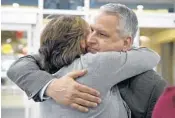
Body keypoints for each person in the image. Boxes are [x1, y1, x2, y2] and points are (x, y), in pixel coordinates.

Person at [7, 3, 167, 118]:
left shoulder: (151, 84)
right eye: (91, 30)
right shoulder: (72, 61)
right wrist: (50, 86)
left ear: (126, 42)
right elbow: (19, 66)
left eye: (102, 34)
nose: (90, 39)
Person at [37, 15, 159, 118]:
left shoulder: (43, 72)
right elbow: (152, 57)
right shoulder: (93, 64)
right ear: (82, 42)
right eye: (90, 33)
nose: (93, 38)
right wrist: (124, 46)